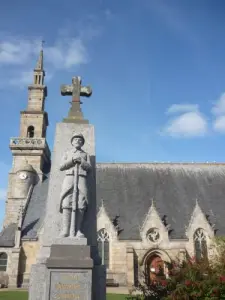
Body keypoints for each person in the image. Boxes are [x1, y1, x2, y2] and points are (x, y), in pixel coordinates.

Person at [59, 133, 91, 238]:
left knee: (81, 204)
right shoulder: (67, 153)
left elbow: (89, 168)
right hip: (69, 177)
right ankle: (65, 230)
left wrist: (82, 161)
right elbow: (61, 166)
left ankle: (78, 230)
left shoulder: (85, 155)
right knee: (66, 202)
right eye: (75, 139)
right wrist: (72, 161)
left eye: (80, 139)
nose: (77, 141)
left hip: (81, 178)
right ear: (72, 142)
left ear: (82, 142)